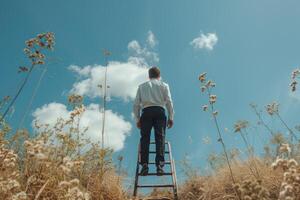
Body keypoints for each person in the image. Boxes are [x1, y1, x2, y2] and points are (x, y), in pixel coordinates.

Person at [133, 66, 174, 176]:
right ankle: (159, 166)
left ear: (149, 76)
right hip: (160, 111)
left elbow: (136, 104)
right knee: (160, 138)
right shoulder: (164, 85)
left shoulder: (142, 86)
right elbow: (169, 101)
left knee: (145, 138)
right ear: (159, 76)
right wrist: (171, 117)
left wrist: (137, 119)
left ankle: (145, 165)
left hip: (146, 112)